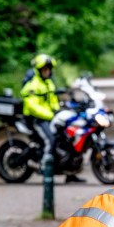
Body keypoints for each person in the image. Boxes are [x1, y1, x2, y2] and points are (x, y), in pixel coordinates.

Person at [21, 53, 84, 183]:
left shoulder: (49, 83)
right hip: (36, 119)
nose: (47, 72)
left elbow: (53, 100)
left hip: (49, 117)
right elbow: (33, 107)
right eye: (45, 69)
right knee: (51, 140)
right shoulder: (33, 86)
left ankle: (70, 172)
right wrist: (51, 115)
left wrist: (58, 110)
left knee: (67, 138)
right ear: (39, 70)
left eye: (49, 69)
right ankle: (45, 169)